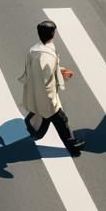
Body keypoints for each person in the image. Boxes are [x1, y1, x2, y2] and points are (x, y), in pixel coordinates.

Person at [20, 20, 84, 157]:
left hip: (38, 93)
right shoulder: (46, 56)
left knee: (46, 119)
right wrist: (51, 101)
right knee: (61, 120)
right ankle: (73, 147)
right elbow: (45, 80)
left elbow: (36, 72)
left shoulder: (35, 49)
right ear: (52, 34)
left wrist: (60, 71)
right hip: (48, 97)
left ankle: (35, 129)